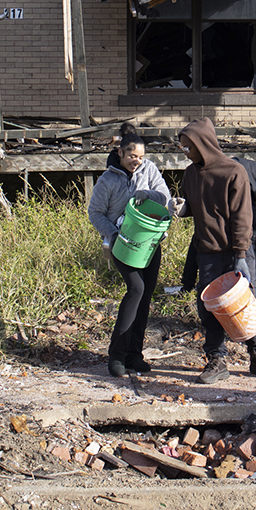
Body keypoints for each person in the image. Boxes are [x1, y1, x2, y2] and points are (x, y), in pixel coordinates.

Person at [171, 118, 256, 384]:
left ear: (203, 144)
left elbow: (243, 217)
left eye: (189, 147)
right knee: (210, 307)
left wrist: (241, 256)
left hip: (236, 251)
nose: (185, 152)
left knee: (246, 302)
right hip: (207, 251)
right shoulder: (191, 173)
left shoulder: (233, 172)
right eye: (182, 148)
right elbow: (196, 208)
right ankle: (216, 360)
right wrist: (181, 209)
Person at [88, 122, 171, 378]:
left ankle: (135, 355)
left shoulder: (149, 170)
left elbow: (165, 196)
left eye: (141, 157)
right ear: (121, 153)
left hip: (148, 242)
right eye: (132, 156)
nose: (137, 161)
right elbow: (95, 213)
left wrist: (147, 193)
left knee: (145, 298)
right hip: (122, 244)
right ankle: (116, 355)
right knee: (136, 289)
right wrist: (112, 235)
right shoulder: (108, 179)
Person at [182, 155, 256, 316]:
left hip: (222, 178)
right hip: (234, 182)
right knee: (252, 251)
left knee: (203, 232)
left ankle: (186, 285)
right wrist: (241, 229)